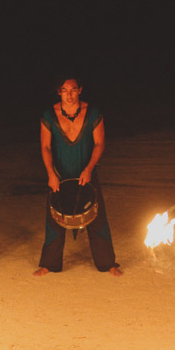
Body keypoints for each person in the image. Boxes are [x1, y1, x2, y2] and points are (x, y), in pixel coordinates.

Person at [34, 78, 122, 276]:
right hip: (59, 172)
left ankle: (107, 263)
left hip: (86, 171)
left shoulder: (93, 113)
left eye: (73, 90)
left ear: (80, 90)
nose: (70, 95)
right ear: (59, 92)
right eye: (65, 91)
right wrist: (51, 173)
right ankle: (50, 263)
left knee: (97, 216)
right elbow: (46, 147)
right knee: (54, 216)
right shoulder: (49, 115)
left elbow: (99, 144)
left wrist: (89, 168)